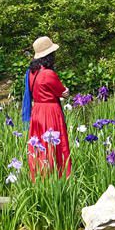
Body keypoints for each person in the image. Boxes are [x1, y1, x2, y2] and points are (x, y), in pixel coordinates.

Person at [23, 36, 71, 178]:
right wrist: (66, 93)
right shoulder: (49, 74)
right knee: (56, 144)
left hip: (37, 111)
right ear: (49, 56)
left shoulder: (31, 73)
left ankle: (39, 175)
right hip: (50, 111)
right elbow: (62, 92)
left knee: (39, 144)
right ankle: (58, 176)